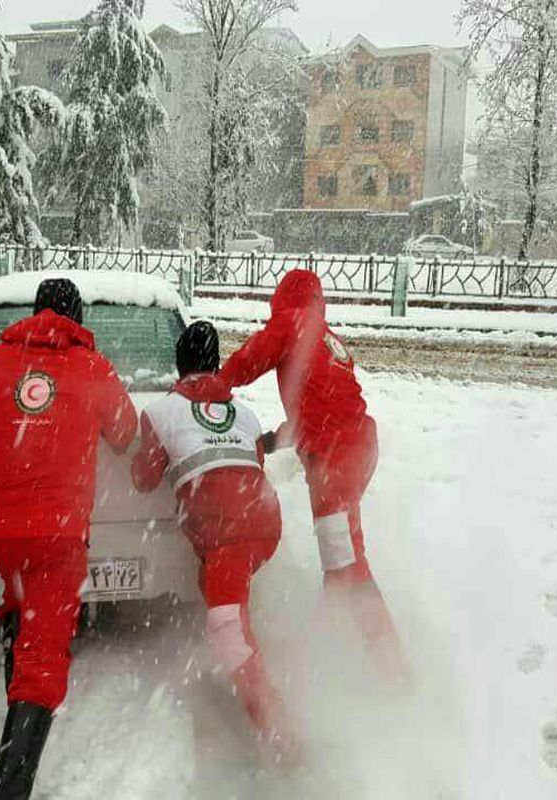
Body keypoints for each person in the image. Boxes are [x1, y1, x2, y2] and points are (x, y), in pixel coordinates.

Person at [0, 278, 137, 800]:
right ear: (76, 319)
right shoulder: (92, 368)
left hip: (3, 527)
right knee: (45, 655)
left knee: (18, 597)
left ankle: (15, 692)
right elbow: (126, 431)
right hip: (58, 528)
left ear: (35, 311)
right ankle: (10, 789)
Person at [217, 270, 404, 678]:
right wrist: (270, 441)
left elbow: (250, 359)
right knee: (341, 559)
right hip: (355, 450)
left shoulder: (292, 322)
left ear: (283, 298)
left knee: (348, 565)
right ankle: (335, 638)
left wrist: (216, 385)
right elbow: (319, 412)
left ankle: (391, 666)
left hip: (334, 461)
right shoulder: (325, 336)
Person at [131, 321, 299, 764]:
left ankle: (283, 740)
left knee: (227, 632)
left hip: (225, 533)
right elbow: (251, 463)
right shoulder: (244, 413)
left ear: (179, 366)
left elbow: (144, 478)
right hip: (264, 525)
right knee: (226, 594)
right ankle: (250, 659)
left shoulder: (161, 411)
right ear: (215, 365)